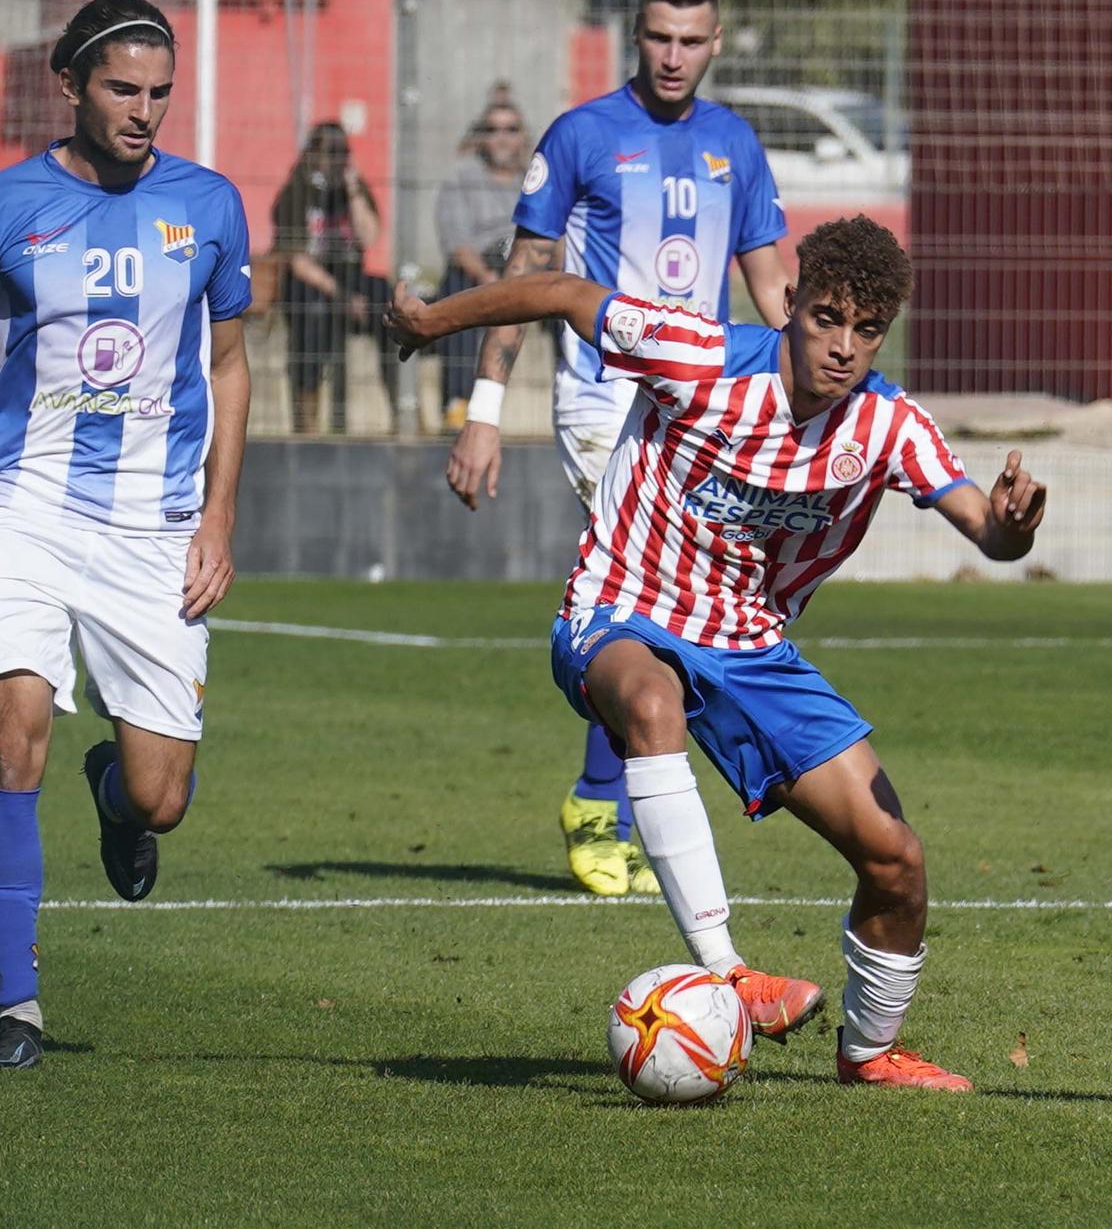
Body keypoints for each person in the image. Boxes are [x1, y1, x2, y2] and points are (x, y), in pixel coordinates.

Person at [386, 214, 1048, 1089]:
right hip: (623, 611)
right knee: (652, 705)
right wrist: (432, 322)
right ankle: (730, 973)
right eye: (826, 318)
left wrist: (1010, 528)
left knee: (897, 858)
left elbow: (985, 531)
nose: (843, 347)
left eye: (866, 329)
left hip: (750, 649)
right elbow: (562, 292)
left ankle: (870, 1053)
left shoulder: (889, 426)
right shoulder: (693, 354)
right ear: (789, 305)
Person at [0, 0, 253, 1070]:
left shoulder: (211, 206)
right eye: (122, 90)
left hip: (156, 527)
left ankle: (116, 794)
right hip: (26, 512)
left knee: (161, 797)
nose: (144, 113)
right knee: (9, 730)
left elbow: (229, 366)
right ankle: (17, 1010)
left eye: (159, 94)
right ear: (70, 86)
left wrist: (221, 515)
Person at [452, 0, 795, 898]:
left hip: (706, 401)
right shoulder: (582, 136)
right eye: (658, 37)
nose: (674, 56)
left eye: (692, 40)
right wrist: (485, 413)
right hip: (605, 399)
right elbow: (529, 272)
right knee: (658, 594)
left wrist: (813, 393)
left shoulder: (737, 144)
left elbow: (771, 285)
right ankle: (607, 802)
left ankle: (606, 793)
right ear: (632, 37)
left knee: (675, 606)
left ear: (716, 41)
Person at [271, 122, 388, 433]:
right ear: (313, 154)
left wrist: (353, 190)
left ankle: (400, 409)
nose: (336, 160)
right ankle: (307, 421)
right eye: (330, 153)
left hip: (350, 278)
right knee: (313, 312)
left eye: (343, 153)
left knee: (389, 303)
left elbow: (371, 235)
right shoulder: (297, 192)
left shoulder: (352, 188)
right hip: (311, 284)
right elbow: (297, 261)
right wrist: (342, 296)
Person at [433, 99, 531, 429]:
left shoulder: (536, 178)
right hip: (480, 267)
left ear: (522, 136)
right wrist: (488, 277)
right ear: (480, 137)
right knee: (456, 292)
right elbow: (457, 244)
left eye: (510, 129)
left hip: (530, 268)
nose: (502, 138)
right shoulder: (461, 180)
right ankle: (458, 403)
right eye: (493, 130)